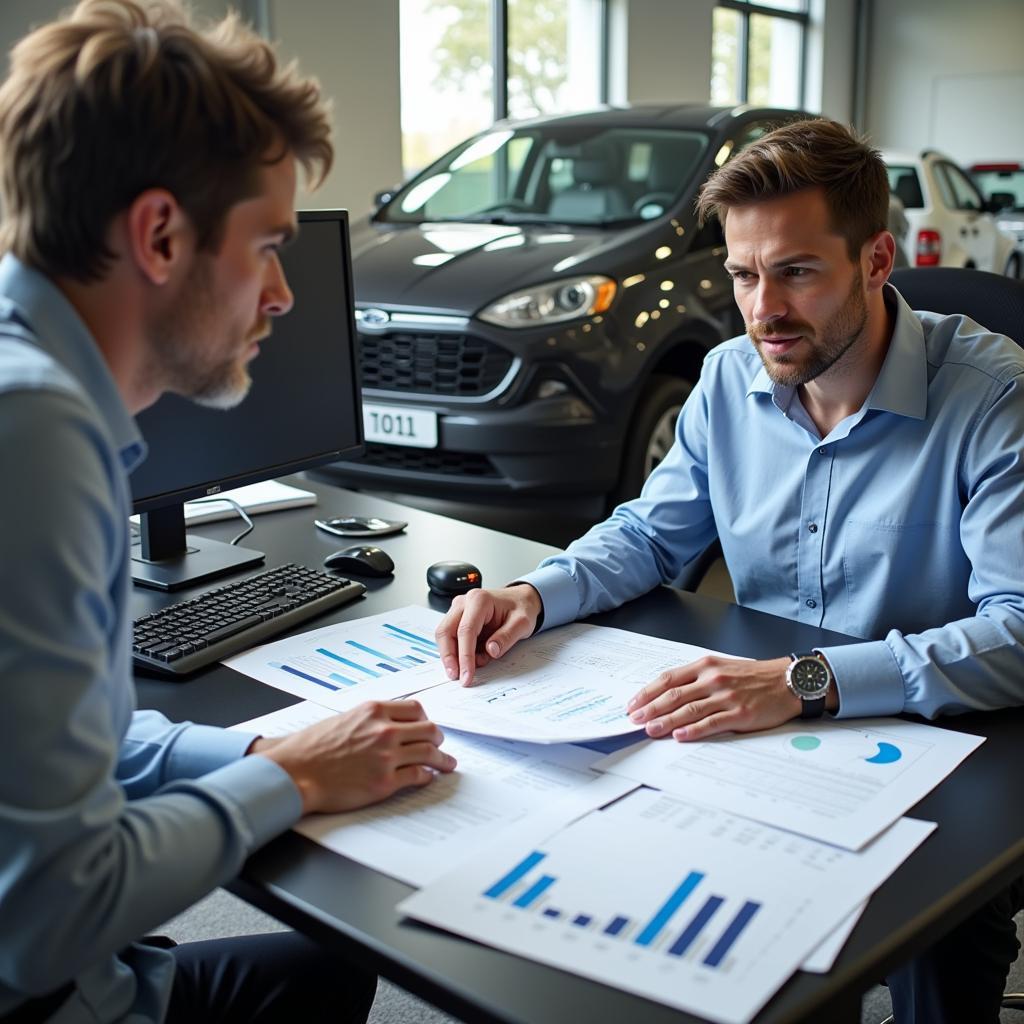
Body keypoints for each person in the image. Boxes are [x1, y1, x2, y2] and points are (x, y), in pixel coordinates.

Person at [436, 118, 1024, 1023]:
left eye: (795, 272)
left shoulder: (992, 399)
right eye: (743, 275)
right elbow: (649, 537)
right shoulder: (725, 381)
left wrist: (806, 681)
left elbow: (1017, 632)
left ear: (875, 260)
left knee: (943, 958)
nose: (762, 311)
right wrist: (532, 592)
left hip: (942, 746)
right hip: (765, 741)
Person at [0, 3, 456, 1023]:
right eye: (266, 245)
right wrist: (285, 787)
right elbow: (43, 910)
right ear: (161, 234)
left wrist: (267, 756)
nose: (284, 293)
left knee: (326, 967)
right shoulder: (32, 436)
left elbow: (94, 745)